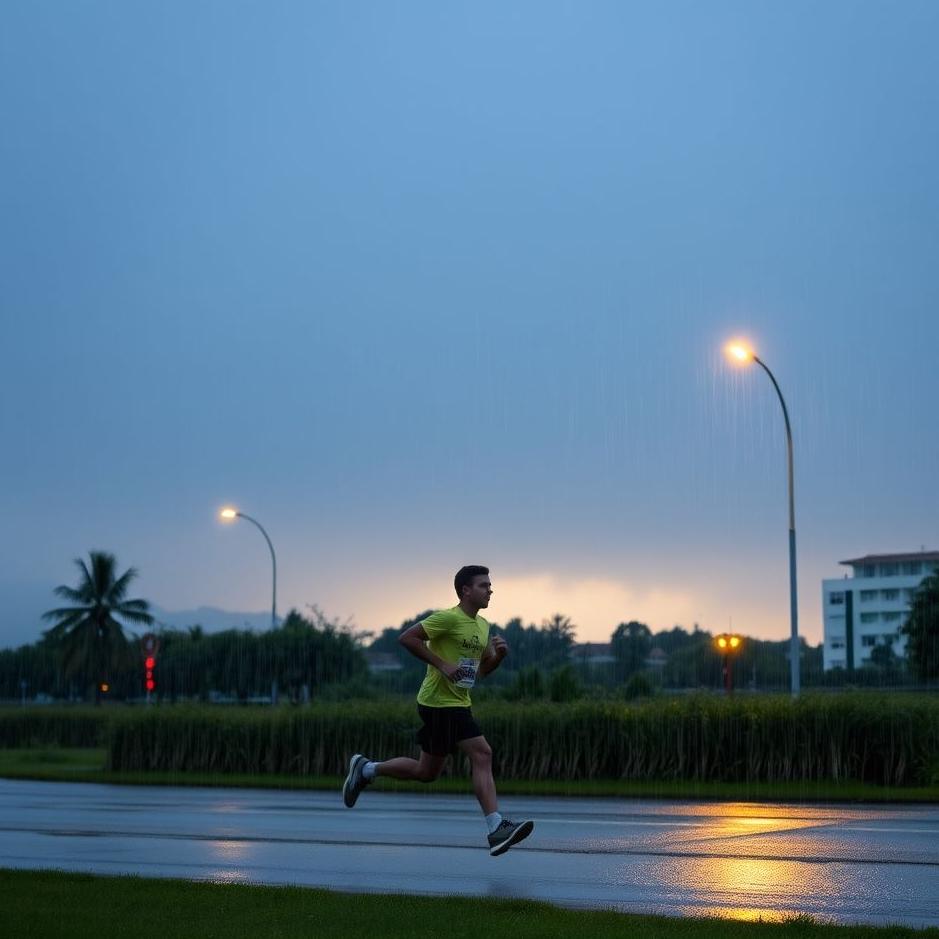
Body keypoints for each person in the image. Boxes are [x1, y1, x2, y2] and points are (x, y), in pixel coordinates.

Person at [343, 565, 534, 857]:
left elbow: (483, 670)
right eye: (483, 585)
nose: (490, 590)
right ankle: (496, 828)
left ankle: (366, 769)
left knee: (426, 772)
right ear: (465, 590)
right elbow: (407, 638)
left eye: (490, 585)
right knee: (482, 754)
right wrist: (442, 664)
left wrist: (500, 657)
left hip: (457, 703)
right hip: (438, 703)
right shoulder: (448, 618)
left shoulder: (482, 626)